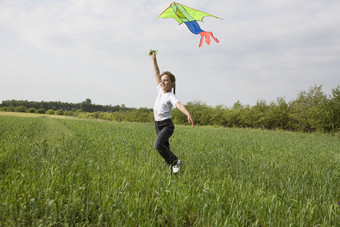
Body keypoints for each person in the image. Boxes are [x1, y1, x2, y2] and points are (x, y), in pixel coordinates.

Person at [149, 50, 194, 174]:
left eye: (166, 80)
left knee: (158, 145)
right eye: (162, 80)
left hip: (166, 125)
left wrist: (187, 113)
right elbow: (156, 72)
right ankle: (173, 172)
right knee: (165, 150)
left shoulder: (170, 96)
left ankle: (175, 162)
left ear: (172, 83)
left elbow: (178, 105)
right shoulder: (160, 90)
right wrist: (154, 59)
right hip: (157, 125)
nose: (163, 82)